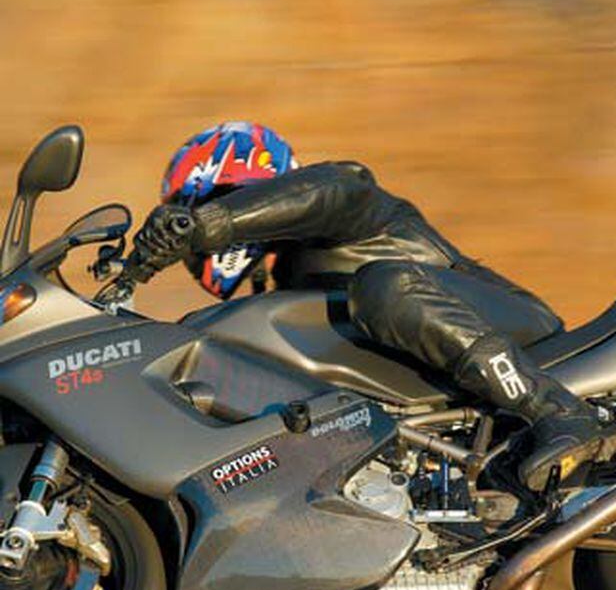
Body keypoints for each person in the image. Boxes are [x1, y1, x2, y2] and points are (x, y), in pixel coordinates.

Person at [129, 120, 604, 491]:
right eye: (184, 214)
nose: (191, 229)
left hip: (512, 328)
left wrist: (208, 225)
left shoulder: (345, 214)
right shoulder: (286, 289)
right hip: (445, 393)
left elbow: (335, 187)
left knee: (382, 285)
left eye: (201, 205)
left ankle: (557, 411)